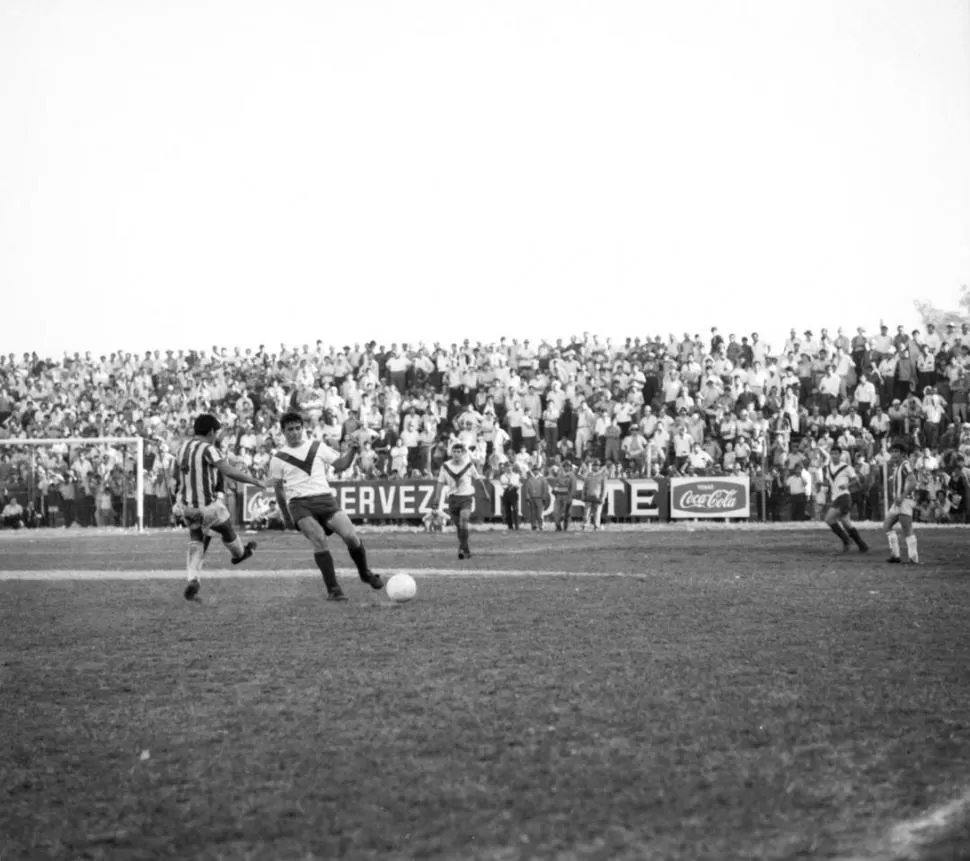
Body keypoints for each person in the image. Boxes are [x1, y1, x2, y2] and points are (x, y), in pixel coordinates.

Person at [268, 411, 384, 602]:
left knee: (351, 536)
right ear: (283, 432)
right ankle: (333, 589)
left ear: (303, 429)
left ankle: (364, 572)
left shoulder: (317, 447)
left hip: (325, 500)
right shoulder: (278, 458)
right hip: (299, 504)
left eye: (298, 428)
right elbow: (279, 490)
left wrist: (354, 450)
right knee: (320, 539)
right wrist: (287, 516)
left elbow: (341, 465)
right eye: (290, 430)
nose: (295, 433)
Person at [173, 413, 263, 601]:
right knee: (226, 528)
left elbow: (175, 476)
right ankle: (239, 554)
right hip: (207, 507)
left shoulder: (182, 449)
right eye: (217, 432)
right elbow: (227, 470)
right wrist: (253, 480)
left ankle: (193, 579)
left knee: (197, 539)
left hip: (187, 507)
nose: (217, 436)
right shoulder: (208, 449)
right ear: (211, 431)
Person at [430, 441, 488, 559]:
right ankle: (465, 549)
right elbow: (440, 483)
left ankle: (461, 549)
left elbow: (478, 479)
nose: (456, 454)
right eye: (454, 451)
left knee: (464, 521)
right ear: (451, 453)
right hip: (452, 498)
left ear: (463, 453)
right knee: (459, 526)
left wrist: (485, 492)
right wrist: (436, 497)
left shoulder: (469, 465)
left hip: (466, 497)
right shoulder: (445, 467)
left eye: (459, 452)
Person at [821, 449, 869, 553]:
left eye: (836, 454)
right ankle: (862, 545)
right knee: (846, 523)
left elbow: (855, 479)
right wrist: (822, 487)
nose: (834, 456)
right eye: (832, 454)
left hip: (844, 497)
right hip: (835, 497)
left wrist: (847, 485)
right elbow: (828, 482)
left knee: (829, 519)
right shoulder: (828, 468)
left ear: (840, 455)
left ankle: (846, 540)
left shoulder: (846, 467)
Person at [883, 438, 920, 564]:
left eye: (896, 451)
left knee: (907, 529)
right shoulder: (897, 466)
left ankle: (914, 558)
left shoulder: (905, 464)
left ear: (903, 453)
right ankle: (895, 555)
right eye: (892, 451)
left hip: (904, 501)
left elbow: (913, 481)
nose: (893, 454)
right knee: (887, 525)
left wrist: (903, 496)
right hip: (898, 502)